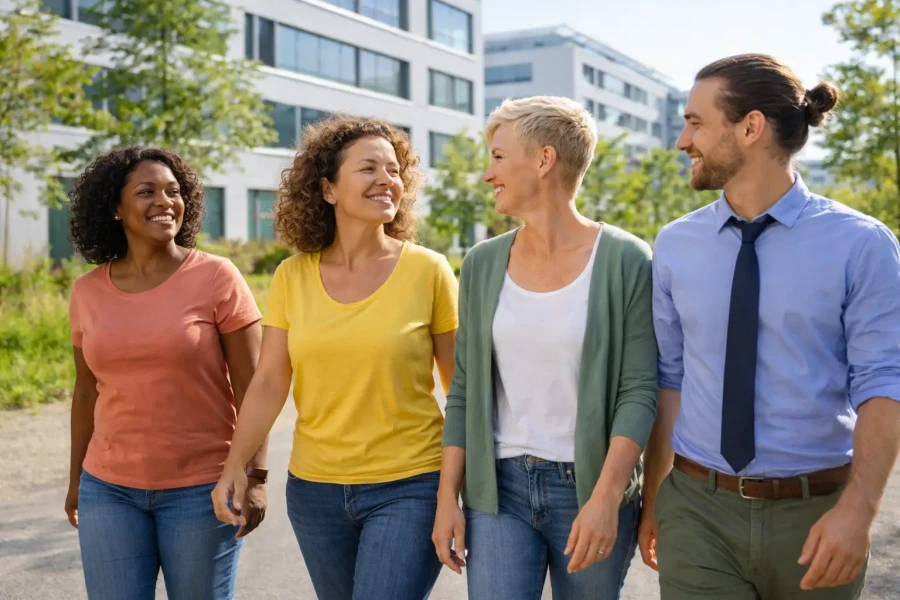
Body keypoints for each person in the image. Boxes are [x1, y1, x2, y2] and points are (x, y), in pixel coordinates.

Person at [641, 54, 900, 600]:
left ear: (750, 127)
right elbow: (670, 377)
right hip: (697, 512)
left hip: (817, 515)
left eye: (695, 123)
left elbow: (884, 381)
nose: (682, 142)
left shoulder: (861, 245)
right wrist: (655, 501)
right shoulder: (675, 245)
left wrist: (857, 512)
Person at [210, 115, 458, 600]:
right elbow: (269, 381)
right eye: (369, 168)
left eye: (394, 170)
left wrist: (455, 489)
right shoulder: (292, 276)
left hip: (410, 485)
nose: (387, 179)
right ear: (327, 190)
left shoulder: (428, 271)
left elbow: (460, 389)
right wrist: (236, 465)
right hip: (315, 492)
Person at [432, 96, 659, 599]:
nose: (488, 174)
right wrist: (448, 497)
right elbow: (464, 389)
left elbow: (639, 391)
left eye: (497, 156)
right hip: (500, 490)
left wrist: (607, 498)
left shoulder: (625, 259)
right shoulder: (482, 263)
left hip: (591, 489)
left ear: (544, 159)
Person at [65, 147, 266, 600]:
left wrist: (255, 476)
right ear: (115, 208)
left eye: (174, 191)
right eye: (147, 192)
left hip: (203, 489)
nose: (165, 201)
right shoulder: (87, 291)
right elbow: (86, 393)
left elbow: (254, 386)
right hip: (108, 490)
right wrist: (77, 479)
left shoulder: (217, 277)